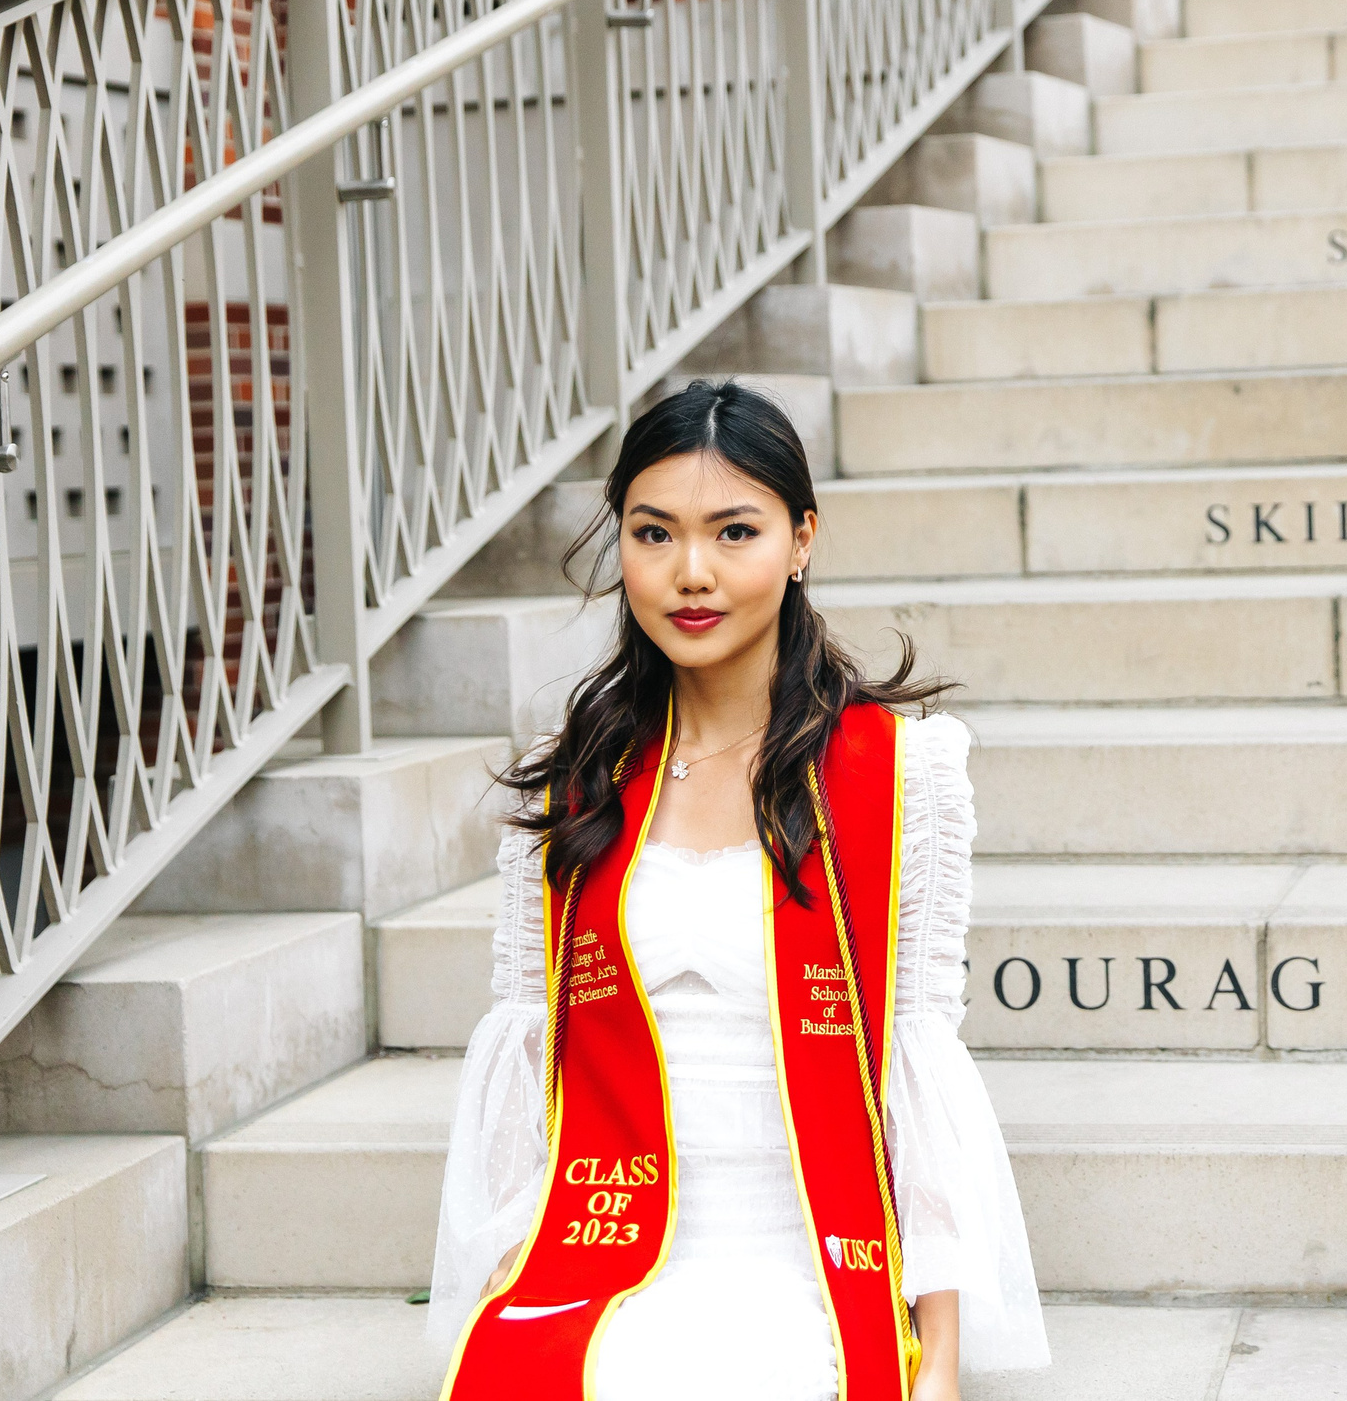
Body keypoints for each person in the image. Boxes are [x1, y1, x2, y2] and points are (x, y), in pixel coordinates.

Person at [426, 379, 1049, 1400]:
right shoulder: (572, 781)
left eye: (734, 531)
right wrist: (513, 1282)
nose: (691, 573)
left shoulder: (899, 776)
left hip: (807, 1256)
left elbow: (914, 1061)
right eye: (654, 534)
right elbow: (533, 1055)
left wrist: (934, 1364)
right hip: (605, 1243)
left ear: (801, 540)